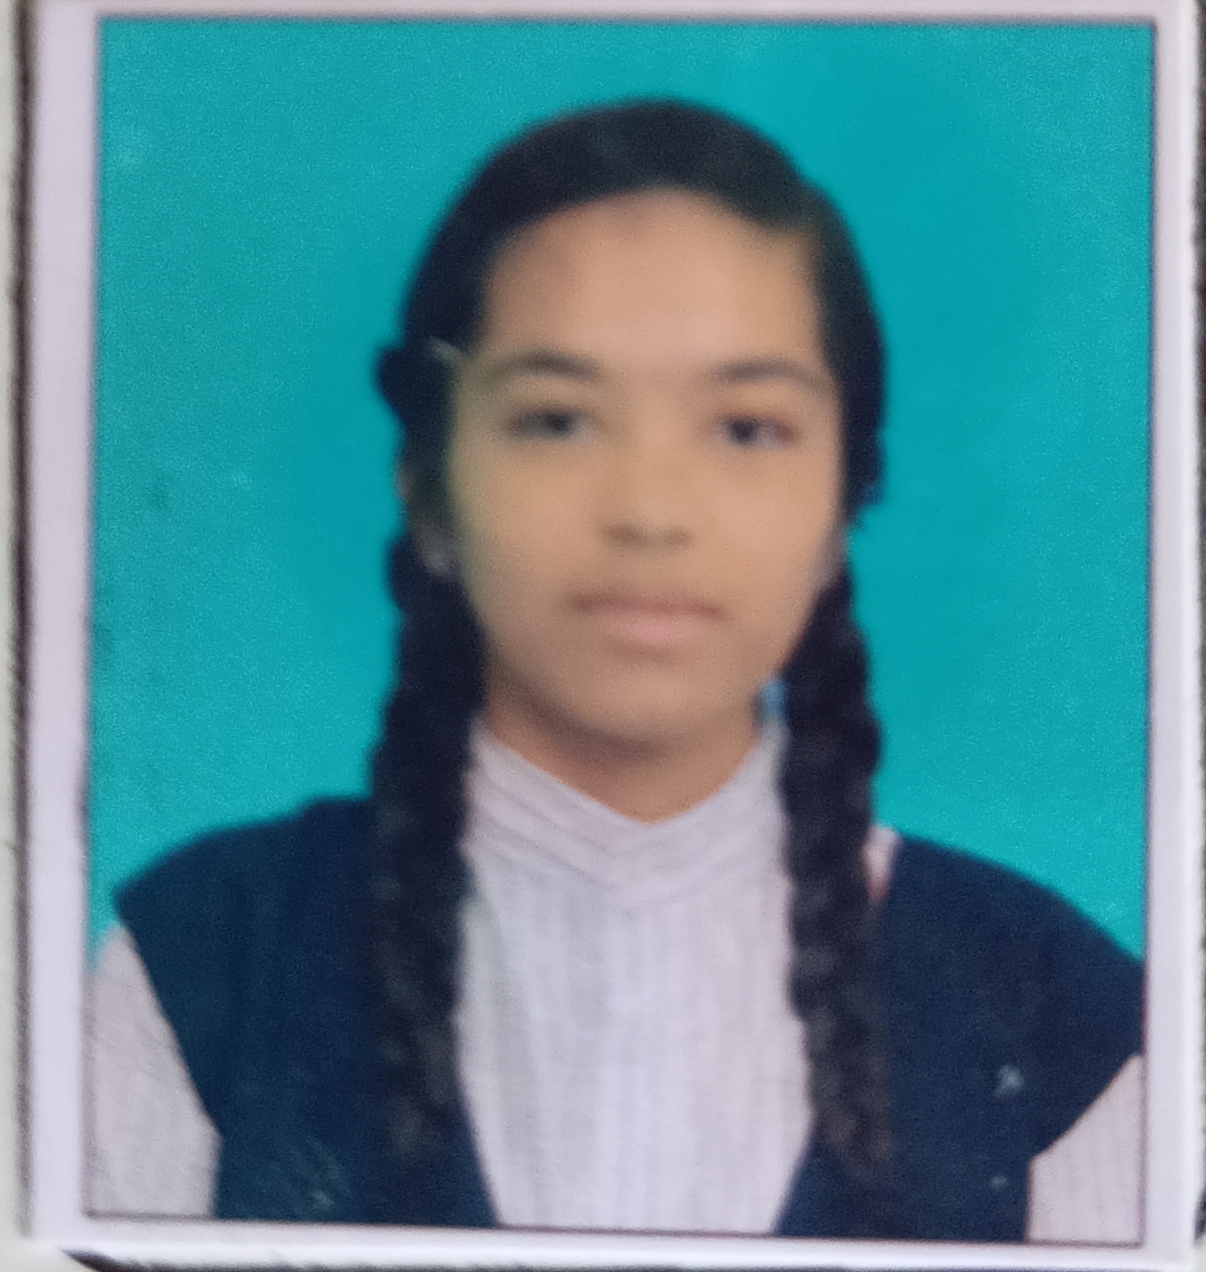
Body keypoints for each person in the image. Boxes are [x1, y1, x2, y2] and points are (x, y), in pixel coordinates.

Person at [88, 99, 1143, 1242]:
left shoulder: (1059, 1019)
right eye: (557, 420)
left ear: (844, 504)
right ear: (427, 484)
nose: (650, 513)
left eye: (746, 430)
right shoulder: (205, 967)